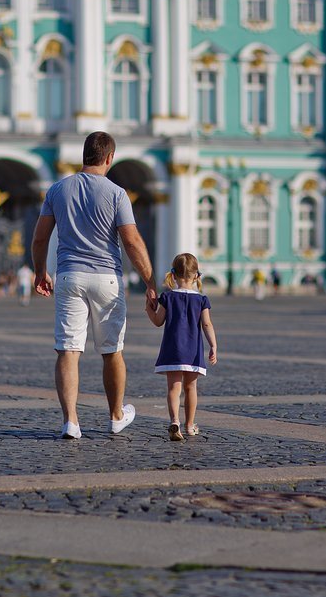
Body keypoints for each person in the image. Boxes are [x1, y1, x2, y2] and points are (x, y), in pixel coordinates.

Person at [31, 132, 158, 440]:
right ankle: (116, 416)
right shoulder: (116, 193)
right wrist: (150, 282)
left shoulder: (58, 190)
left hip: (69, 275)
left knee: (68, 350)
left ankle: (71, 422)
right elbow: (131, 241)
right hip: (107, 279)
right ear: (109, 158)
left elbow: (40, 238)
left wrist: (40, 272)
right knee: (112, 350)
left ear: (84, 155)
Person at [146, 253, 217, 441]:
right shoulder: (202, 300)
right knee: (191, 387)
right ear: (196, 276)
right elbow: (207, 325)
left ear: (174, 275)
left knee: (173, 389)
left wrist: (149, 310)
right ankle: (190, 425)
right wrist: (213, 346)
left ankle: (175, 420)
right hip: (192, 351)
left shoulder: (167, 297)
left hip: (172, 349)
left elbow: (158, 321)